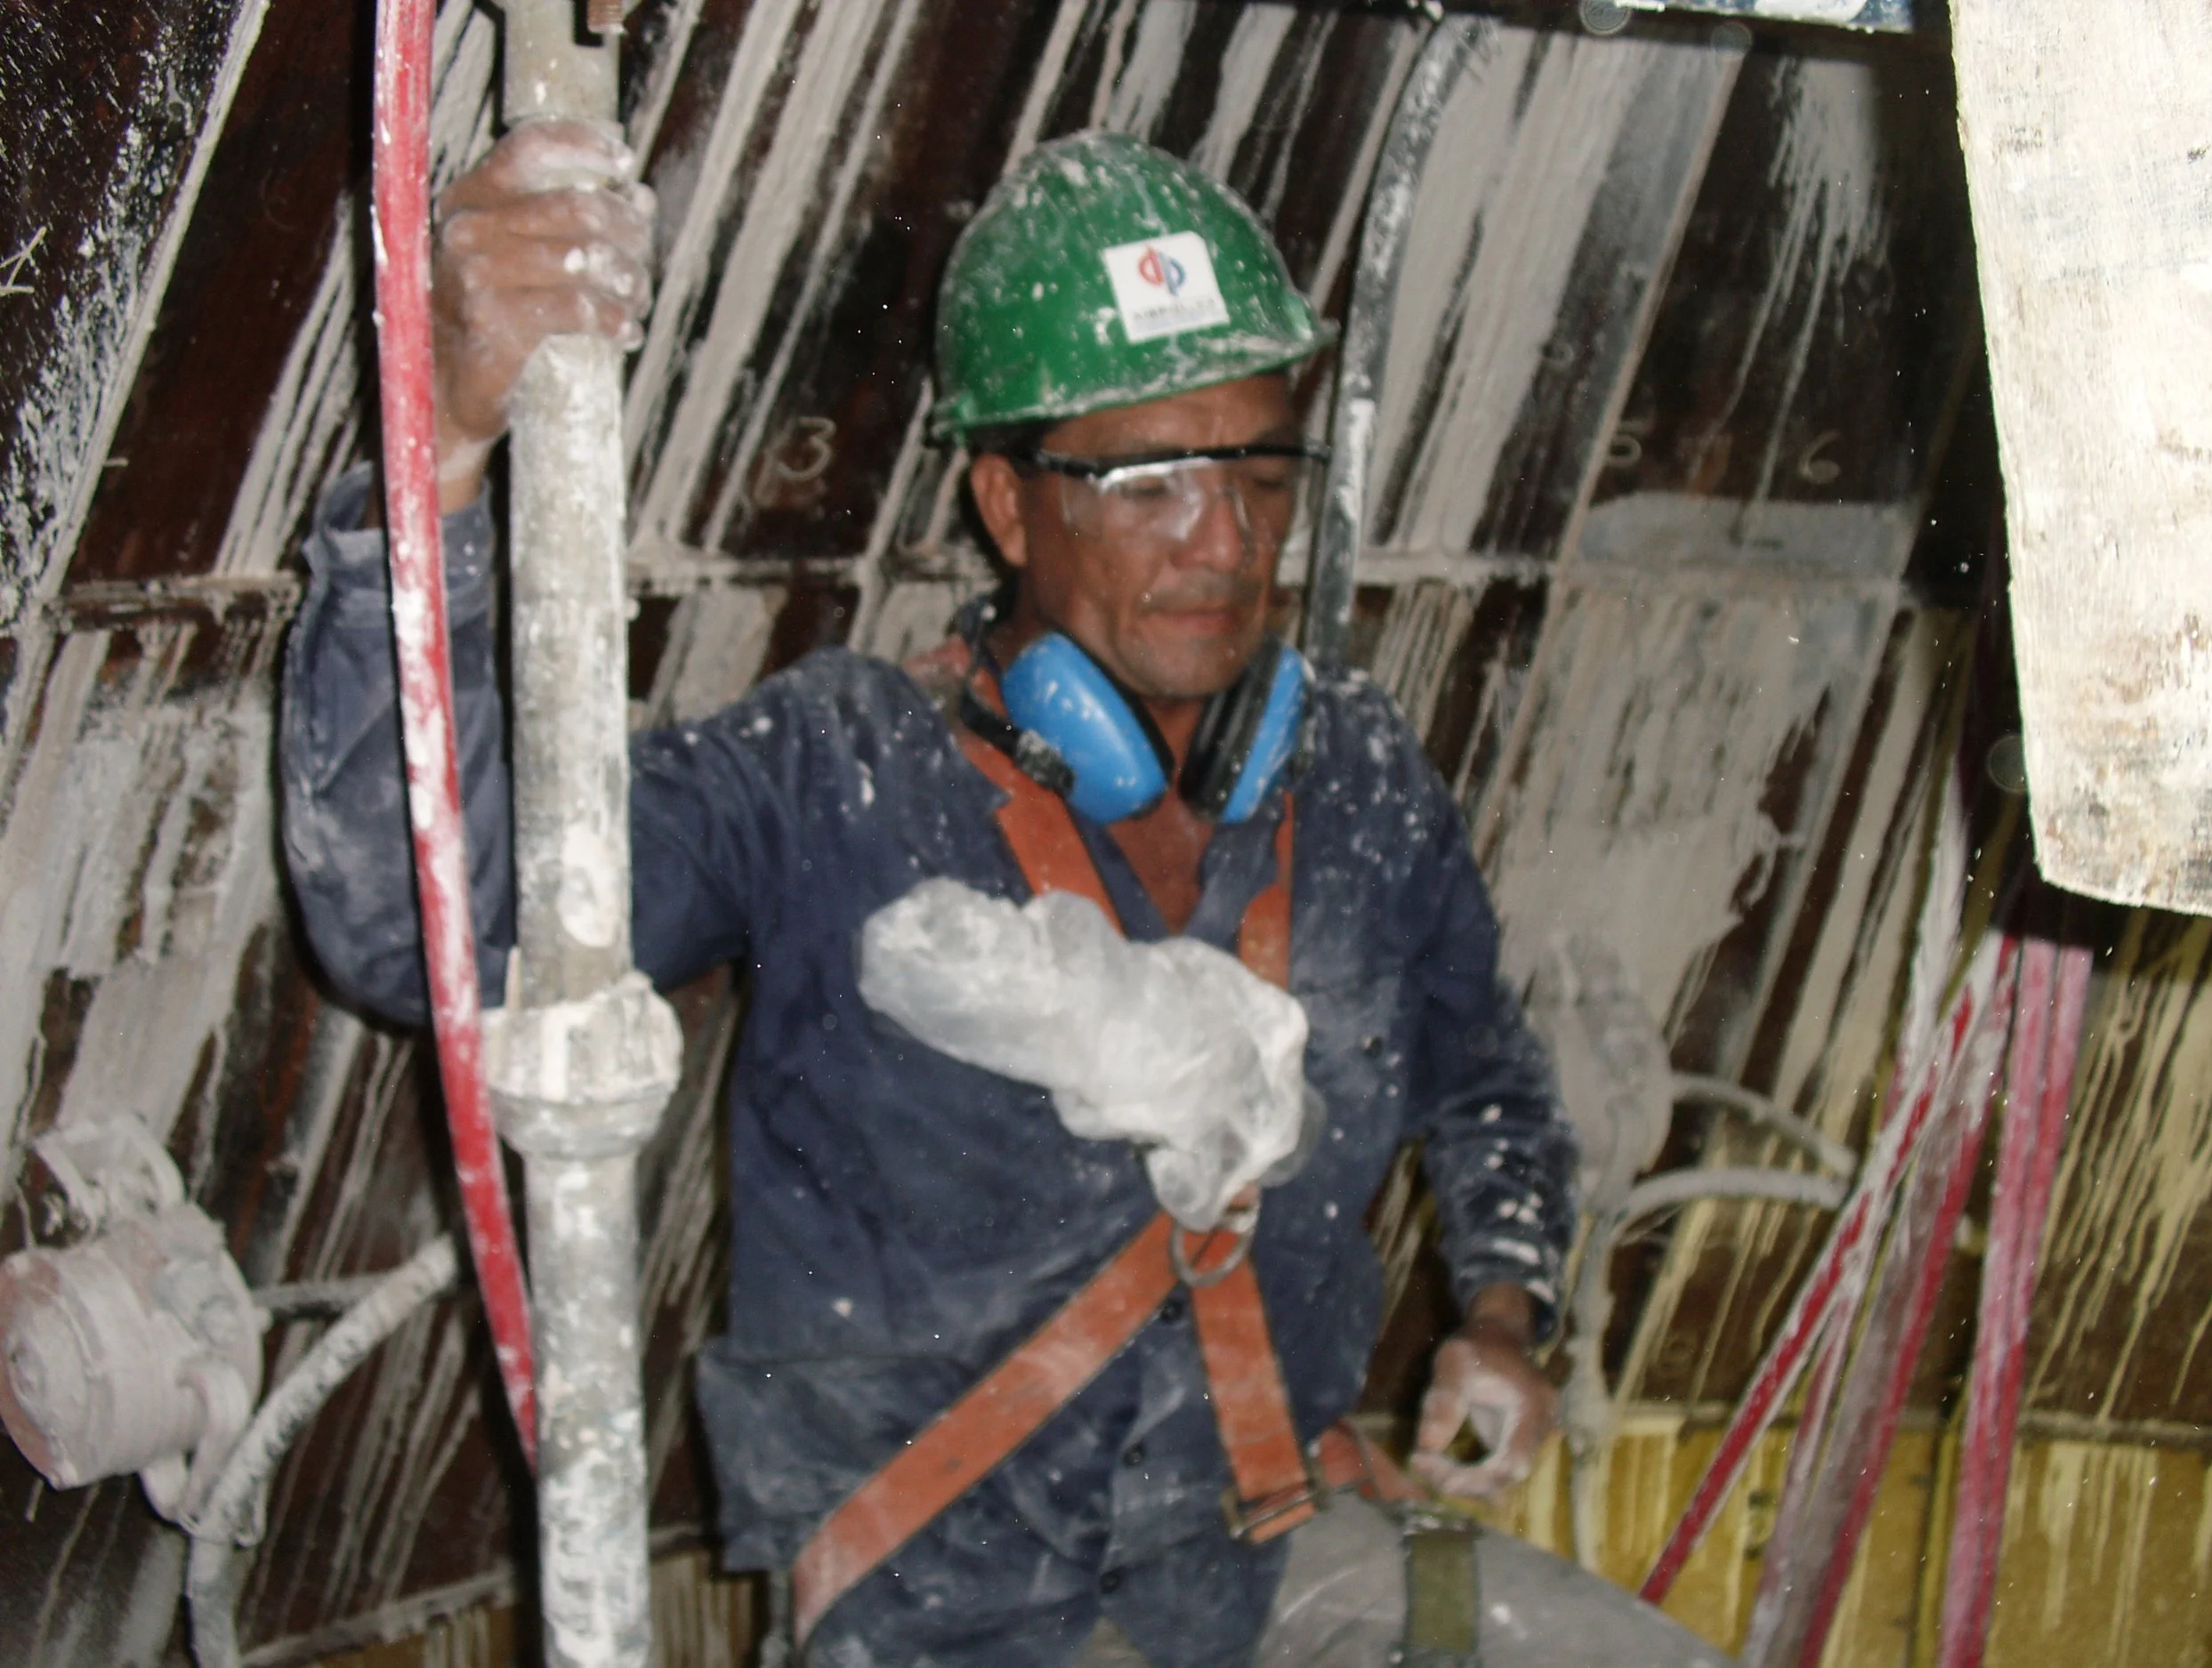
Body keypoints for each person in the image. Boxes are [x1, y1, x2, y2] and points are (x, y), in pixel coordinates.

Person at [280, 122, 1578, 1668]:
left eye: (1259, 469)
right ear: (1008, 505)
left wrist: (1504, 1311)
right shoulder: (834, 775)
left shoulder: (1353, 770)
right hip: (946, 1612)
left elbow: (1485, 1073)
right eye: (1148, 479)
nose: (1225, 538)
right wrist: (441, 440)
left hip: (1261, 1549)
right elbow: (422, 923)